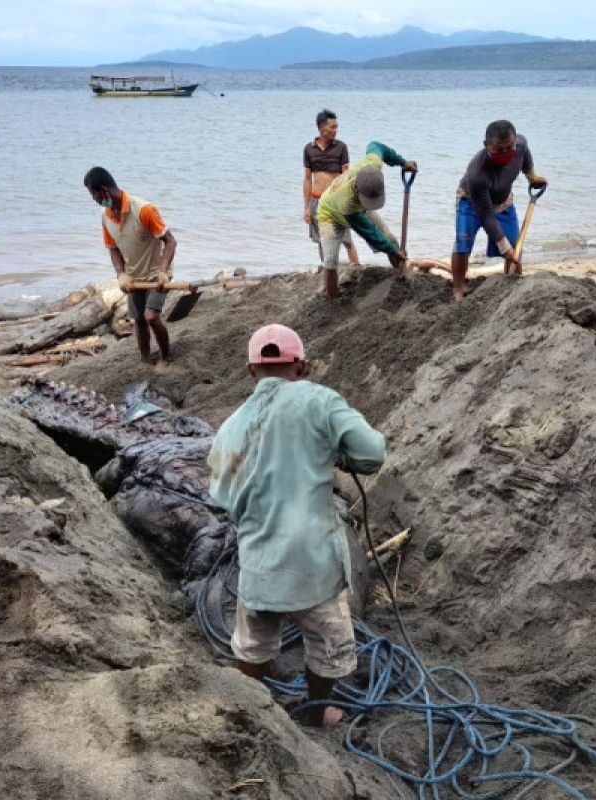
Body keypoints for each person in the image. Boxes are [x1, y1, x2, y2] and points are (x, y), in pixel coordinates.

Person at [207, 324, 385, 727]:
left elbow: (221, 494)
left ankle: (252, 717)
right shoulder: (321, 402)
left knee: (252, 645)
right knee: (327, 644)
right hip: (313, 561)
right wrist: (334, 456)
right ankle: (315, 711)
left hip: (259, 561)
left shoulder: (231, 424)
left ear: (251, 370)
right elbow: (372, 453)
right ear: (302, 365)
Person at [83, 167, 177, 369]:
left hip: (156, 274)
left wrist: (163, 271)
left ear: (105, 190)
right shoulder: (106, 216)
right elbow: (113, 248)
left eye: (94, 194)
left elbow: (170, 242)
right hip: (134, 276)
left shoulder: (144, 210)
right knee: (139, 320)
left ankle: (165, 357)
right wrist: (121, 274)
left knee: (151, 316)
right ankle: (145, 359)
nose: (94, 199)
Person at [451, 120, 548, 302]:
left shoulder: (520, 145)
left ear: (514, 143)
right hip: (472, 203)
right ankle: (458, 289)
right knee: (463, 244)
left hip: (503, 203)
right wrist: (504, 248)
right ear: (486, 146)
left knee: (515, 247)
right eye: (498, 149)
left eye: (509, 148)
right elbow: (486, 216)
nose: (504, 153)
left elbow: (525, 154)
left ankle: (514, 287)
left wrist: (531, 176)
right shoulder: (477, 173)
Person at [316, 141, 417, 300]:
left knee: (391, 240)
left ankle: (401, 278)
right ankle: (333, 300)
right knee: (330, 261)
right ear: (357, 188)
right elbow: (370, 233)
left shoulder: (373, 163)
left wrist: (402, 162)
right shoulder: (347, 203)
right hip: (329, 214)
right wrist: (391, 249)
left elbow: (377, 145)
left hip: (358, 206)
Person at [303, 110, 360, 272]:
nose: (336, 130)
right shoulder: (309, 149)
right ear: (322, 128)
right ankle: (328, 271)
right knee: (322, 240)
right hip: (316, 200)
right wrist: (306, 207)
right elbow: (307, 179)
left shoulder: (341, 147)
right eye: (332, 127)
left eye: (337, 127)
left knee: (347, 239)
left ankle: (356, 269)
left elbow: (346, 176)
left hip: (336, 200)